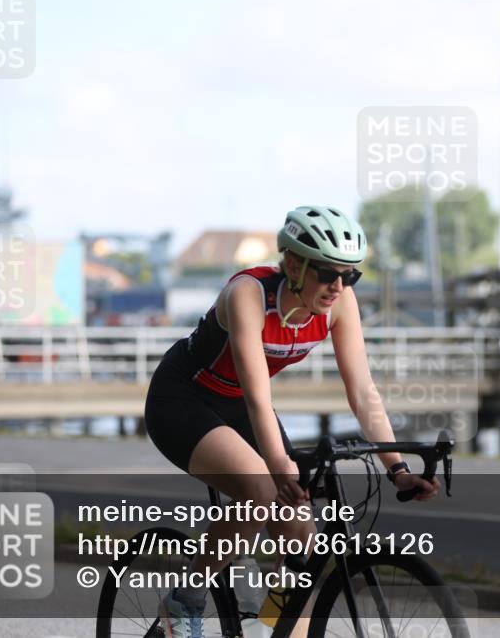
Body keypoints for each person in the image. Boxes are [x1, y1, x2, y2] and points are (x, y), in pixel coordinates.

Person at [145, 206, 439, 638]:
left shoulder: (338, 304)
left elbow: (362, 391)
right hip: (183, 399)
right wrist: (280, 466)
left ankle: (272, 627)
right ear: (295, 264)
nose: (338, 286)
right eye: (327, 273)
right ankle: (185, 599)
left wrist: (396, 469)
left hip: (239, 405)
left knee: (300, 528)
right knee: (261, 487)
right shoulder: (248, 293)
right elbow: (259, 399)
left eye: (350, 275)